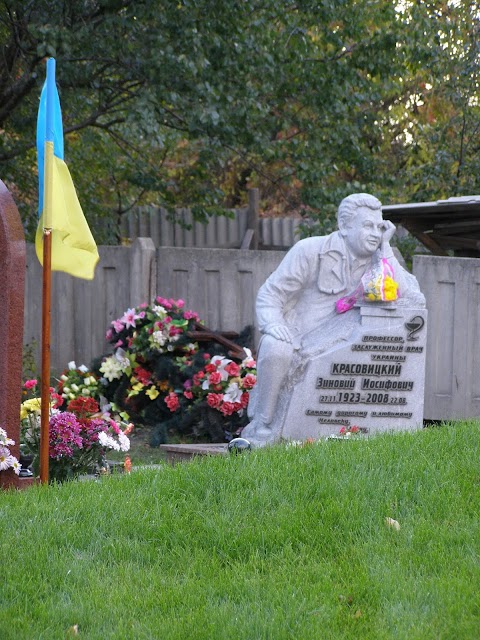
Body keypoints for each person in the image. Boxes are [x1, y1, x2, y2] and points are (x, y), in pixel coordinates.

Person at [241, 193, 425, 446]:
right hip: (300, 338)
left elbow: (414, 298)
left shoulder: (381, 258)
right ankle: (264, 424)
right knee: (275, 348)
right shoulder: (310, 250)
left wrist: (385, 250)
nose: (374, 233)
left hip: (342, 344)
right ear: (344, 227)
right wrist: (274, 325)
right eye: (367, 226)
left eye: (379, 227)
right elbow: (271, 294)